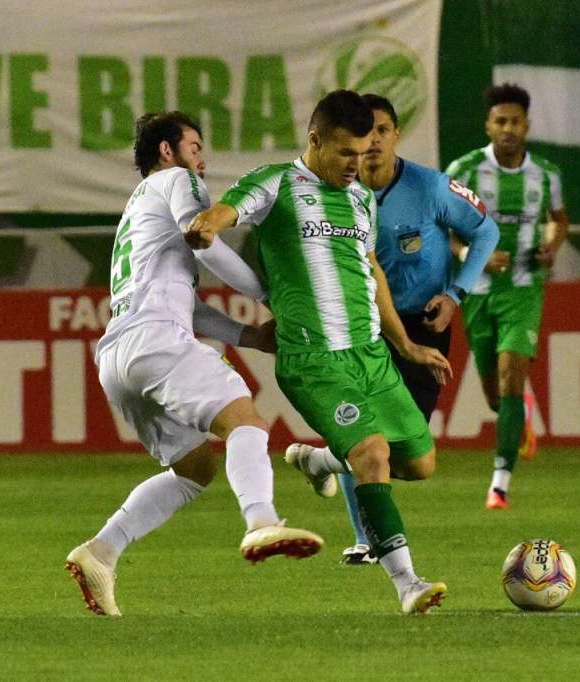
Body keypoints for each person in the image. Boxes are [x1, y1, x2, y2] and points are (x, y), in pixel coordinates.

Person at [185, 90, 453, 614]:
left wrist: (407, 345)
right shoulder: (279, 182)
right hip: (313, 360)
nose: (359, 165)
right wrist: (211, 224)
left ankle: (318, 459)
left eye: (365, 153)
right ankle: (407, 584)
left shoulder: (360, 201)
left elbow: (371, 270)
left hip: (371, 355)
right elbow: (231, 208)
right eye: (347, 154)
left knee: (420, 464)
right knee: (374, 455)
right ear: (314, 140)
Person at [64, 112, 324, 617]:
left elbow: (189, 302)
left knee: (195, 467)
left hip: (118, 354)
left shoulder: (135, 210)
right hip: (155, 340)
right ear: (167, 151)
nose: (201, 159)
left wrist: (249, 335)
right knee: (244, 421)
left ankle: (101, 552)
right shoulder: (178, 182)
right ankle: (261, 522)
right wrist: (272, 293)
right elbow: (202, 239)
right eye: (194, 146)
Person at [288, 93, 499, 566]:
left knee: (414, 457)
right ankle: (366, 537)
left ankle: (323, 460)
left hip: (422, 325)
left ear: (396, 134)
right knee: (365, 432)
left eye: (383, 130)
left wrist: (456, 295)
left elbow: (486, 231)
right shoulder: (332, 193)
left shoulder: (430, 187)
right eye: (367, 134)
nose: (374, 142)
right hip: (358, 328)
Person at [445, 83, 570, 510]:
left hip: (523, 286)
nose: (508, 128)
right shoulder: (464, 170)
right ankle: (521, 413)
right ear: (488, 125)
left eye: (515, 121)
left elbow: (559, 219)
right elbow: (442, 228)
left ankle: (499, 484)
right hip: (477, 289)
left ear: (527, 126)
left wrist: (551, 248)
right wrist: (468, 254)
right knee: (495, 396)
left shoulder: (547, 174)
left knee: (510, 373)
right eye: (501, 121)